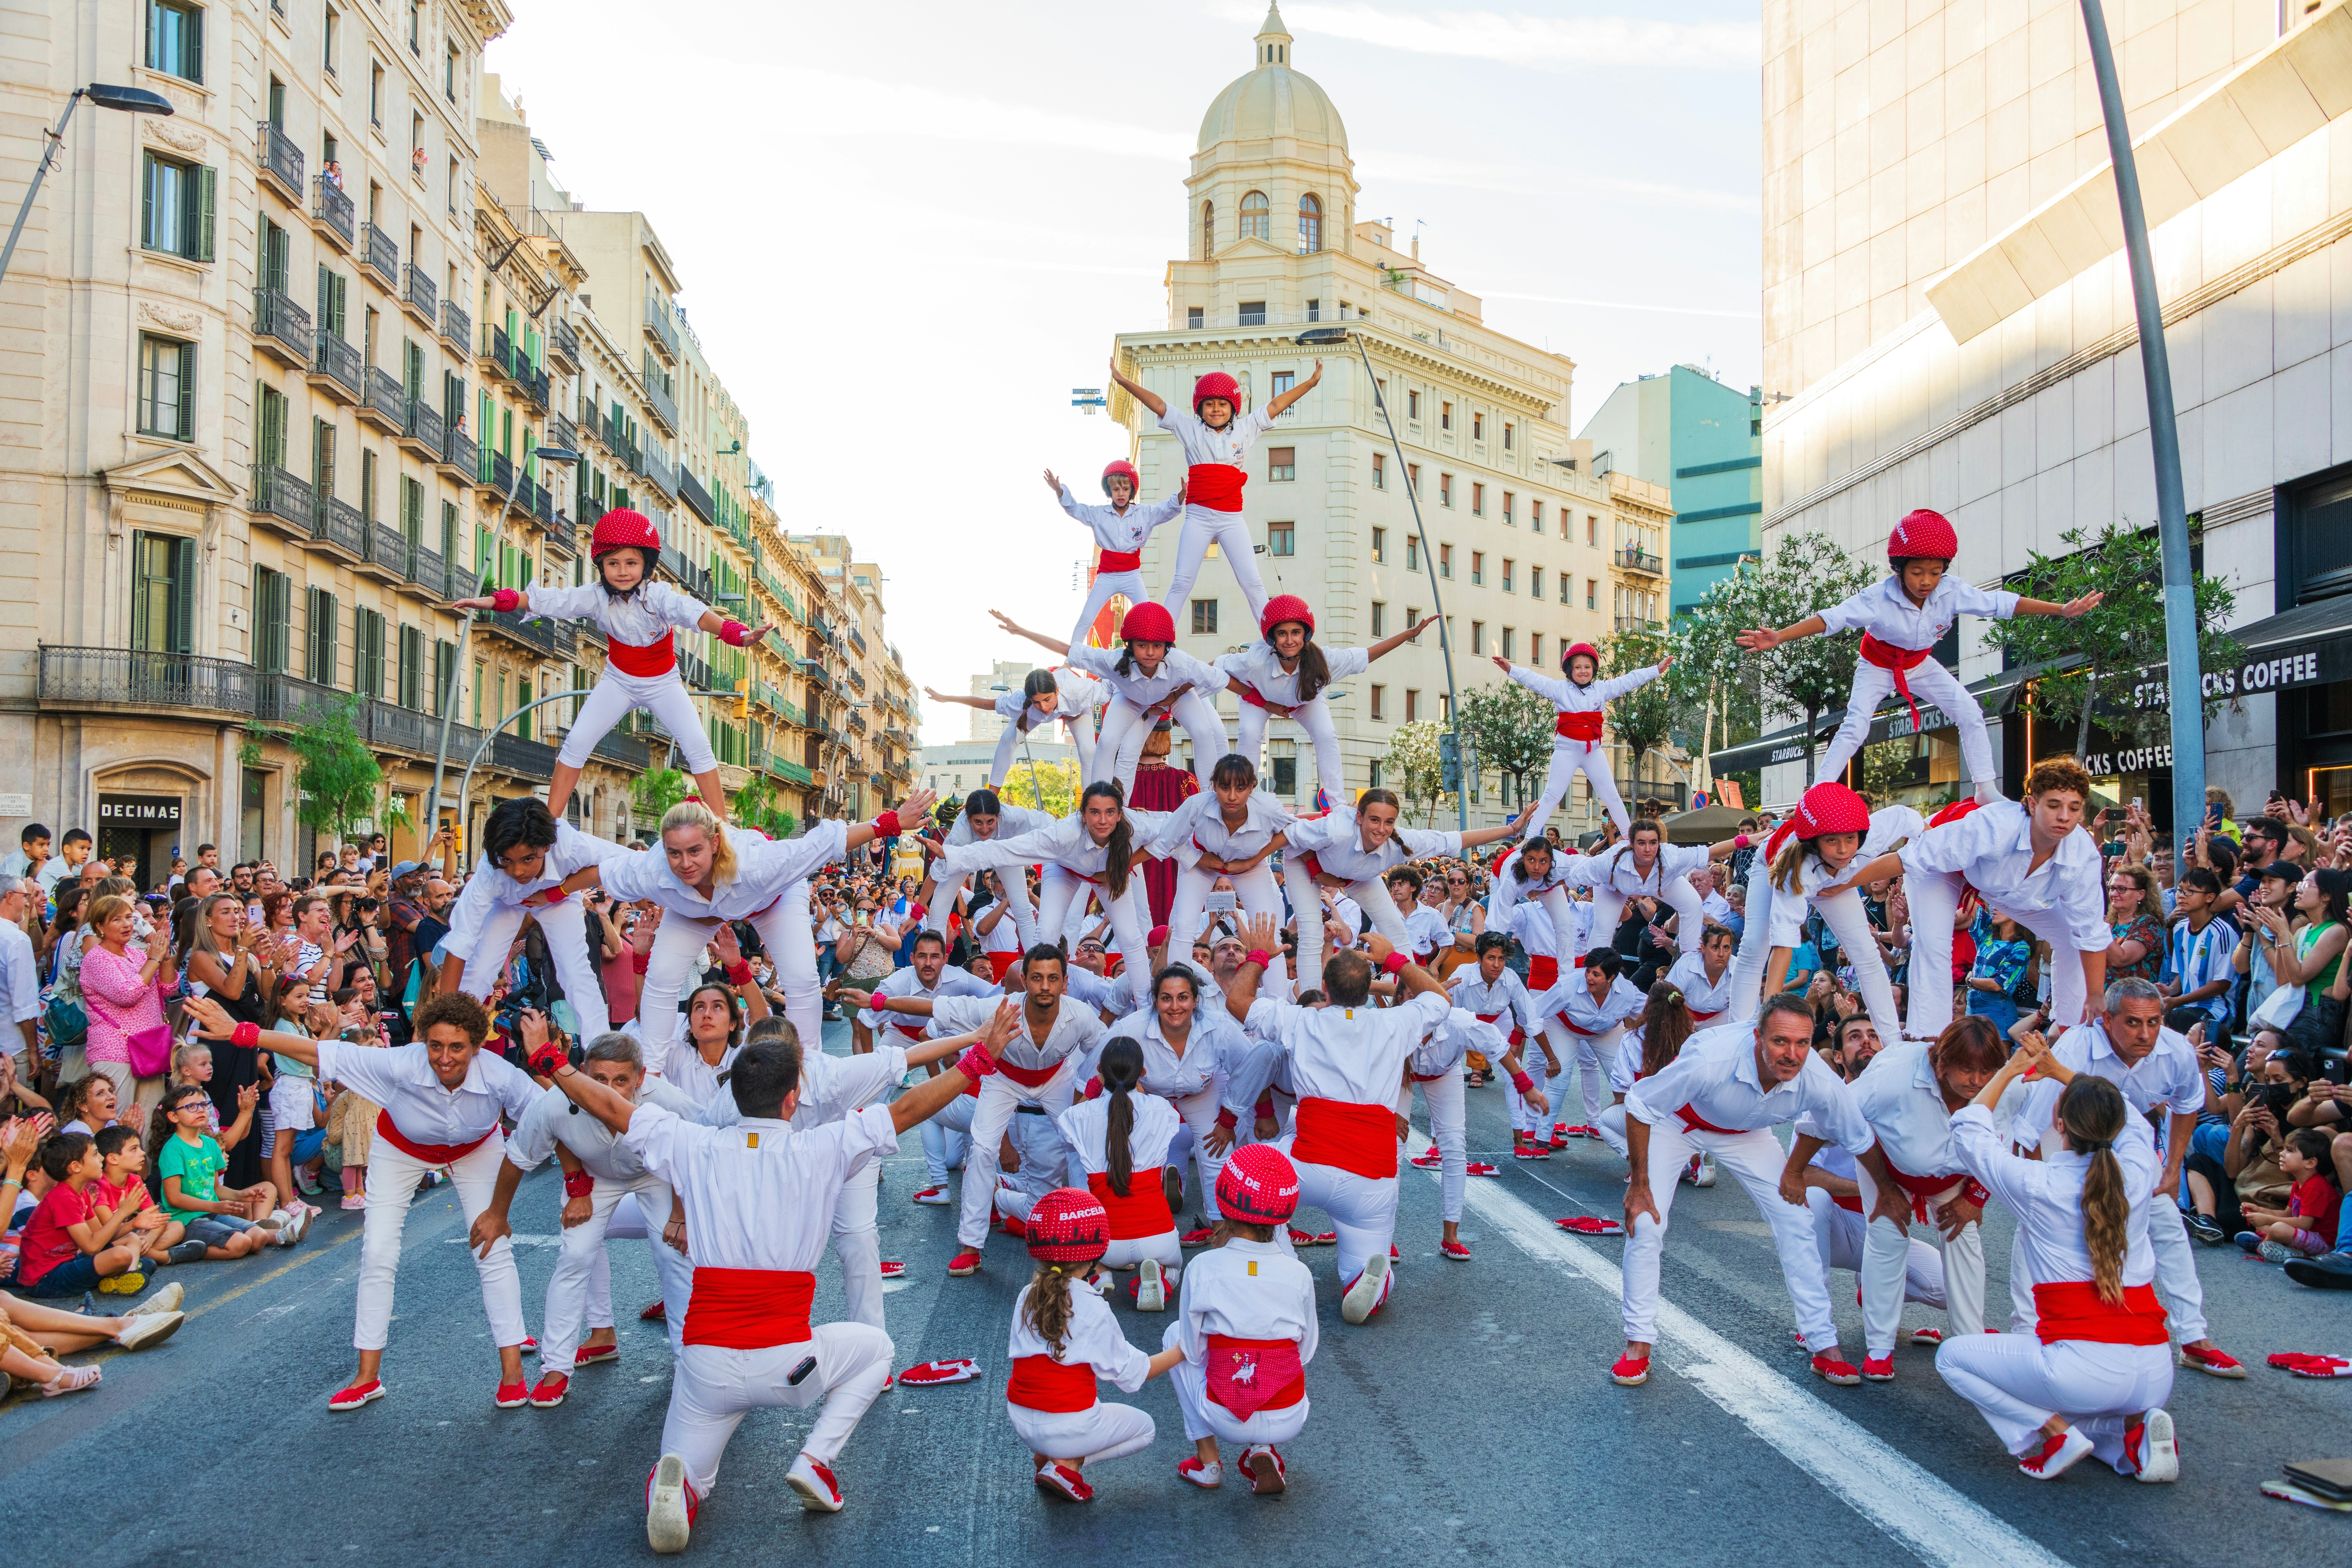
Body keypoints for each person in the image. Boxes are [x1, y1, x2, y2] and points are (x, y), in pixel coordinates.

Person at [530, 1009, 1005, 1545]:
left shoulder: (693, 1144)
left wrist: (551, 1061)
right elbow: (909, 1108)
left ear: (733, 1095)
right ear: (792, 1098)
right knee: (875, 1348)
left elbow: (613, 1108)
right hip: (788, 1366)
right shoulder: (820, 1147)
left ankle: (681, 1484)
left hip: (704, 1363)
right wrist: (980, 1057)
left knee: (692, 1468)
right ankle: (815, 1459)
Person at [185, 989, 541, 1410]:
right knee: (378, 1253)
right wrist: (242, 1033)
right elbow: (316, 1050)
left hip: (476, 1149)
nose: (445, 1057)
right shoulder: (398, 1063)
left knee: (493, 1248)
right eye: (436, 1045)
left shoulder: (502, 1075)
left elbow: (550, 1121)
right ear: (423, 1041)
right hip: (400, 1147)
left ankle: (513, 1372)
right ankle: (367, 1377)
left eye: (458, 1047)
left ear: (477, 1047)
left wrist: (542, 1198)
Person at [1616, 994, 1910, 1388]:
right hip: (1676, 1122)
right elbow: (1640, 1105)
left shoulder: (1818, 1079)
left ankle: (1824, 1345)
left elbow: (1854, 1137)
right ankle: (1639, 1343)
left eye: (1802, 1043)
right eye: (1780, 1042)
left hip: (1747, 1135)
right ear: (1758, 1036)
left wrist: (1883, 1189)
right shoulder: (1712, 1058)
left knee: (1798, 1217)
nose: (1792, 1054)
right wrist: (1639, 1184)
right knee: (1647, 1222)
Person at [1935, 1041, 2180, 1483]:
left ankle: (2051, 1433)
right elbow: (2132, 1120)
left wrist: (2013, 1069)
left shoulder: (2038, 1182)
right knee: (2081, 1403)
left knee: (1953, 1358)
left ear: (2059, 1123)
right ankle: (2134, 1433)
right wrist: (2062, 1071)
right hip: (2156, 1371)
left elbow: (1969, 1128)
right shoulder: (2139, 1172)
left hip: (2082, 1368)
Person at [1735, 508, 2103, 800]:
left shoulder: (1952, 591)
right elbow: (1830, 619)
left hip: (1920, 664)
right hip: (1877, 665)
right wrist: (1780, 636)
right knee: (1855, 725)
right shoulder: (1877, 598)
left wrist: (2060, 610)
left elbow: (2000, 604)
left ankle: (1985, 789)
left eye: (1935, 572)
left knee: (1969, 712)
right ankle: (1818, 794)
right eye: (1916, 572)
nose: (1926, 581)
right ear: (1898, 569)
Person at [448, 509, 773, 820]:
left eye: (631, 562)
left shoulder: (660, 597)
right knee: (576, 742)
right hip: (618, 680)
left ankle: (722, 826)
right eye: (613, 563)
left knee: (698, 745)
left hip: (662, 682)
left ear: (646, 565)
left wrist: (739, 635)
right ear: (601, 565)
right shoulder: (594, 597)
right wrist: (494, 601)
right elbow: (548, 601)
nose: (622, 570)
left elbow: (695, 614)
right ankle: (550, 823)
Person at [570, 794, 934, 1057]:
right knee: (662, 978)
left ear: (714, 843)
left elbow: (824, 842)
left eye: (694, 851)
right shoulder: (654, 870)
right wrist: (553, 892)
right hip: (697, 912)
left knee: (803, 979)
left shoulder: (758, 861)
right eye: (674, 853)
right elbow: (601, 871)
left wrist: (891, 822)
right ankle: (651, 1069)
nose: (684, 864)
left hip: (774, 900)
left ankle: (808, 1066)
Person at [2005, 978, 2245, 1378]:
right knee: (2037, 1230)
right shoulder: (2077, 1046)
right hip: (2064, 1137)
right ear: (2106, 1019)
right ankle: (2027, 1329)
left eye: (2153, 1022)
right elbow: (2031, 1131)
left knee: (2167, 1225)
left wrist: (2173, 1171)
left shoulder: (2177, 1051)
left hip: (2132, 1145)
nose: (2145, 1034)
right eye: (2133, 1023)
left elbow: (2187, 1106)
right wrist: (2039, 1191)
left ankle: (2193, 1338)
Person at [1222, 912, 1448, 1325]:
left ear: (1324, 989)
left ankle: (1280, 1267)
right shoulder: (1393, 1022)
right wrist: (1395, 960)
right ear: (1369, 990)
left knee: (1246, 1167)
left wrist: (1259, 955)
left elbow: (1237, 1002)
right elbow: (1439, 1000)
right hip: (1373, 1175)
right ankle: (1370, 1280)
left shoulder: (1302, 1019)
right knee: (1360, 1265)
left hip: (1308, 1164)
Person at [471, 1029, 701, 1409]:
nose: (609, 1091)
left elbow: (695, 1152)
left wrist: (682, 1214)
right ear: (582, 1073)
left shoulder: (667, 1099)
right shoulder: (555, 1103)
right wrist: (497, 1214)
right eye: (599, 1080)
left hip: (658, 1174)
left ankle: (689, 1362)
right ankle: (556, 1368)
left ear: (641, 1079)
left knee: (675, 1254)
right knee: (575, 1255)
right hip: (597, 1176)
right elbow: (518, 1158)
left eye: (621, 1080)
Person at [845, 945, 1107, 1278]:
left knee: (1080, 1146)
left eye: (1053, 979)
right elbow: (935, 1008)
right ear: (1023, 981)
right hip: (1003, 1078)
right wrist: (879, 1002)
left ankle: (1089, 1247)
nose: (1045, 987)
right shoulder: (999, 1009)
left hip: (1056, 1079)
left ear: (1065, 983)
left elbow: (1106, 1048)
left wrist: (1090, 1090)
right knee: (982, 1150)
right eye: (1037, 978)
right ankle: (971, 1246)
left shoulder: (1080, 1015)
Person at [1788, 1017, 2005, 1379]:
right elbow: (1824, 1120)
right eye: (1967, 1070)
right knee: (1887, 1238)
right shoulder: (1891, 1078)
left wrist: (1975, 1199)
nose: (1977, 1081)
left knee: (1963, 1238)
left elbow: (2007, 1147)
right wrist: (1793, 1172)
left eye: (1986, 1071)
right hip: (1888, 1169)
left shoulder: (2003, 1085)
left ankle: (1970, 1343)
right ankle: (1878, 1348)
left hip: (1955, 1177)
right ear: (1940, 1063)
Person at [1838, 758, 2112, 1039]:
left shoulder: (2084, 857)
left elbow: (2089, 933)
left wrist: (2094, 995)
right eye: (2054, 805)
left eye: (2074, 808)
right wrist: (1841, 883)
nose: (2064, 816)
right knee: (1933, 942)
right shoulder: (1994, 827)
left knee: (2069, 935)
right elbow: (1909, 858)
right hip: (1940, 863)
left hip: (2002, 891)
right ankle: (1928, 1037)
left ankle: (2067, 1030)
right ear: (2032, 805)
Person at [1003, 1185, 1190, 1502]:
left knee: (1068, 1413)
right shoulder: (1092, 1306)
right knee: (1146, 1429)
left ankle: (1053, 1457)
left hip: (1021, 1419)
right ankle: (1068, 1462)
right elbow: (1133, 1374)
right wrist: (1181, 1351)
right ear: (1094, 1253)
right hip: (1068, 1425)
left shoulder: (1026, 1295)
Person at [1103, 359, 1324, 625]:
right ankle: (1162, 639)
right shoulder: (1190, 429)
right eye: (1209, 404)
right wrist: (1125, 383)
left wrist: (1311, 383)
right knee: (1182, 582)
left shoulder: (1246, 428)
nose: (1216, 409)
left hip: (1232, 518)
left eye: (1222, 404)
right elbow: (1159, 405)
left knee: (1252, 582)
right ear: (1200, 408)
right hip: (1198, 517)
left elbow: (1276, 405)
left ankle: (1273, 637)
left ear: (1233, 407)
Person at [929, 781, 1175, 1009]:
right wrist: (953, 856)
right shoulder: (1062, 833)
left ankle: (1146, 1007)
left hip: (1110, 872)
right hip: (1064, 869)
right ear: (1083, 815)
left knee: (1131, 937)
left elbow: (1173, 832)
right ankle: (1038, 999)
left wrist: (1121, 865)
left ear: (1120, 814)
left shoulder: (1135, 826)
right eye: (1095, 813)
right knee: (1047, 934)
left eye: (1110, 812)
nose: (1103, 821)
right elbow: (1007, 849)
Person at [1161, 1142, 1316, 1493]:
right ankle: (1263, 1448)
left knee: (1176, 1336)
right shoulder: (1298, 1273)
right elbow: (1305, 1352)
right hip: (1288, 1414)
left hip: (1225, 1416)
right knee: (1279, 1351)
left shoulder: (1202, 1267)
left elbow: (1191, 1349)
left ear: (1224, 1200)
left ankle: (1207, 1462)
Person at [1283, 790, 1529, 1002]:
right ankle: (1311, 1002)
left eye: (1388, 822)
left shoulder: (1400, 842)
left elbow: (1453, 839)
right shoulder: (1337, 830)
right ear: (1359, 818)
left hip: (1357, 876)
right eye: (1375, 820)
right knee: (1312, 931)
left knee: (1397, 931)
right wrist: (1316, 872)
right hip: (1304, 864)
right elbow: (1287, 832)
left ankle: (1416, 995)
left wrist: (1511, 829)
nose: (1381, 829)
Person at [437, 797, 629, 1044]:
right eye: (507, 860)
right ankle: (453, 1036)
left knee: (576, 971)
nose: (517, 871)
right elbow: (460, 944)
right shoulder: (489, 871)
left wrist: (558, 891)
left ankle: (601, 1048)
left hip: (557, 898)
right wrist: (442, 1019)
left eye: (528, 859)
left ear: (548, 846)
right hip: (507, 903)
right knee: (480, 968)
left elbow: (625, 863)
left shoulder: (570, 845)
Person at [991, 603, 1227, 795]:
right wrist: (1021, 630)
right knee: (1109, 742)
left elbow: (1216, 678)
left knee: (1204, 731)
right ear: (1130, 645)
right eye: (1142, 645)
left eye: (1157, 646)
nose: (1150, 653)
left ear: (1167, 647)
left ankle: (1210, 797)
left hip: (1174, 695)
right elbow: (1067, 649)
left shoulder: (1180, 662)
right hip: (1132, 699)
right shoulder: (1113, 661)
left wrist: (1173, 696)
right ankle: (1103, 803)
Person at [1218, 595, 1433, 804]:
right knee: (1249, 732)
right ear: (1273, 637)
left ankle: (1337, 804)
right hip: (1257, 697)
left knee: (1327, 734)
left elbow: (1368, 654)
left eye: (1296, 632)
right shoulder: (1256, 661)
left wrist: (1410, 634)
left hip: (1305, 701)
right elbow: (1216, 668)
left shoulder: (1325, 661)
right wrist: (1264, 703)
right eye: (1282, 634)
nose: (1290, 640)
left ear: (1306, 634)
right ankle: (1246, 800)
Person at [1751, 784, 1918, 1049]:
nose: (1843, 850)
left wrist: (1846, 884)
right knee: (1754, 948)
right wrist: (1768, 1018)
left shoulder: (1875, 834)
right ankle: (1753, 1023)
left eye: (1850, 839)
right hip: (1769, 863)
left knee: (1867, 953)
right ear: (1814, 843)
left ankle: (1893, 1042)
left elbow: (1911, 820)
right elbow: (1784, 947)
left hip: (1835, 879)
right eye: (1832, 840)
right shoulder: (1795, 873)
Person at [1057, 1036, 1183, 1310]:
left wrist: (1091, 1093)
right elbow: (1148, 1112)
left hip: (1106, 1242)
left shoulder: (1079, 1116)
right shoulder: (1163, 1109)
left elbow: (1065, 1131)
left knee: (1096, 1244)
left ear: (1100, 1071)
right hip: (1157, 1234)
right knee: (1176, 1266)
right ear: (1144, 1073)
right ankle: (1159, 1277)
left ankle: (1101, 1273)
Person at [1494, 641, 1668, 839]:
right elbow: (1536, 681)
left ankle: (1631, 839)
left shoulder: (1602, 689)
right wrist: (1511, 669)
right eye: (1578, 668)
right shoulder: (1560, 689)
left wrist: (1656, 670)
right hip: (1566, 750)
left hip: (1593, 752)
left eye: (1587, 667)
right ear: (1570, 670)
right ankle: (1529, 839)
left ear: (1594, 669)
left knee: (1612, 796)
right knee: (1552, 795)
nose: (1583, 672)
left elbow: (1628, 681)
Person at [1155, 755, 1292, 965]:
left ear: (1252, 787)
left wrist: (1251, 861)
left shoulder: (1269, 807)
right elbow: (1166, 838)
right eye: (1225, 787)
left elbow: (1291, 833)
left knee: (1267, 934)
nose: (1232, 796)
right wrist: (1198, 859)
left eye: (1240, 788)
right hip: (1201, 865)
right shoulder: (1197, 805)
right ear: (1214, 786)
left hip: (1251, 868)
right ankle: (1177, 988)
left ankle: (1275, 998)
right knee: (1183, 926)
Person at [1048, 460, 1187, 652]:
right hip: (1107, 575)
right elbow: (1076, 509)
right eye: (1116, 489)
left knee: (1149, 614)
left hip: (1132, 575)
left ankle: (1168, 654)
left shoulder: (1144, 514)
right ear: (1109, 491)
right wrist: (1060, 492)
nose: (1121, 494)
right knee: (1086, 618)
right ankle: (1070, 661)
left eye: (1125, 488)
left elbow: (1164, 510)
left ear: (1132, 490)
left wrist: (1180, 497)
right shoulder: (1099, 514)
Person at [1531, 948, 1644, 1147]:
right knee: (1561, 1076)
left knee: (1628, 1081)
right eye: (1588, 971)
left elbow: (1654, 1015)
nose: (1589, 978)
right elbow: (1532, 1015)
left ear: (1612, 978)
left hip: (1606, 1032)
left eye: (1596, 974)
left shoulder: (1628, 992)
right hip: (1563, 1027)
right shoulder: (1568, 985)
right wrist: (1551, 1057)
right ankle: (1542, 1138)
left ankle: (1635, 1135)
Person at [924, 669, 1106, 790]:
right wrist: (946, 698)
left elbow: (1112, 685)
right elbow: (985, 703)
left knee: (1089, 750)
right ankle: (992, 793)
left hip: (1077, 713)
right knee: (1008, 739)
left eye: (1047, 700)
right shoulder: (1021, 703)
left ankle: (1091, 802)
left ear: (1057, 691)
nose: (1043, 707)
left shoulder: (1080, 691)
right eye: (1037, 702)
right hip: (1032, 715)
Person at [921, 789, 1053, 955]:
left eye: (990, 821)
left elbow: (1052, 824)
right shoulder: (959, 836)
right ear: (968, 819)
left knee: (1023, 910)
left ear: (999, 816)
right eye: (978, 822)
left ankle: (1037, 967)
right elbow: (936, 875)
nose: (984, 829)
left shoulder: (1014, 817)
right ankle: (933, 964)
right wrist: (917, 911)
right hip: (966, 854)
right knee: (940, 906)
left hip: (1005, 851)